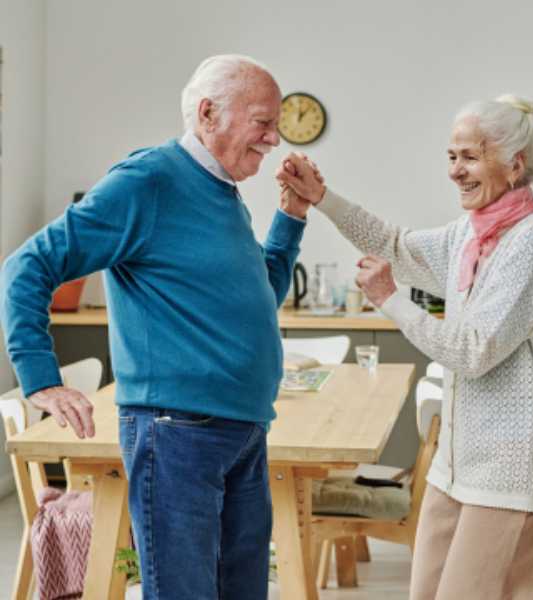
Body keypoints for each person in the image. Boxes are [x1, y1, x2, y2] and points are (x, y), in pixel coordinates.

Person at [0, 54, 312, 599]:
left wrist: (291, 216)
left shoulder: (221, 191)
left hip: (241, 430)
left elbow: (260, 297)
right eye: (263, 122)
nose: (273, 138)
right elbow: (26, 265)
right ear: (209, 113)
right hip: (178, 431)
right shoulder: (148, 180)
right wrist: (40, 377)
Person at [277, 94, 533, 600]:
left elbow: (473, 351)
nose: (455, 170)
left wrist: (390, 300)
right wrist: (322, 197)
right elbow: (396, 245)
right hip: (454, 466)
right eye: (452, 156)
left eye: (470, 157)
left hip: (508, 470)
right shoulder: (470, 234)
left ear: (515, 164)